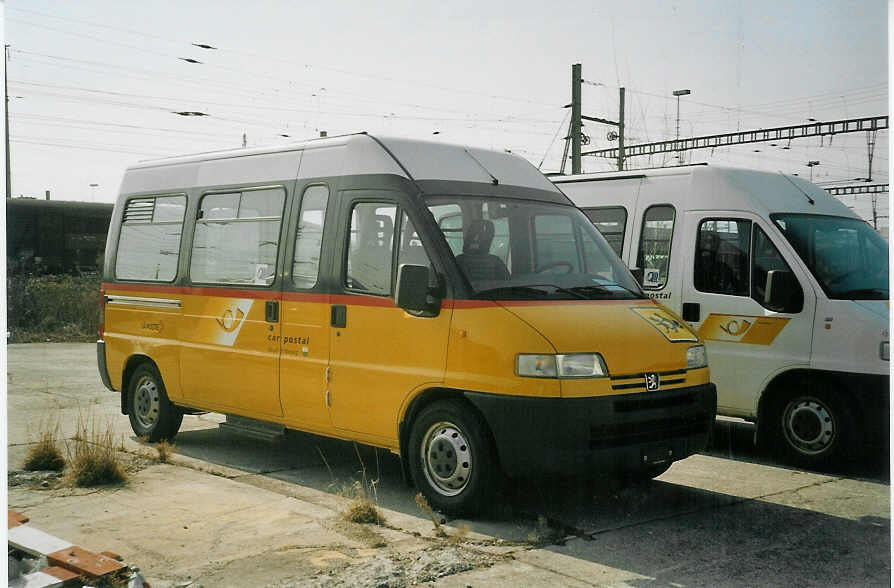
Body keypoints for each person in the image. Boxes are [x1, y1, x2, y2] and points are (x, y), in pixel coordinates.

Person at [454, 219, 509, 284]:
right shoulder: (496, 261)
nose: (475, 239)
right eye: (473, 235)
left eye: (481, 236)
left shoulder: (459, 260)